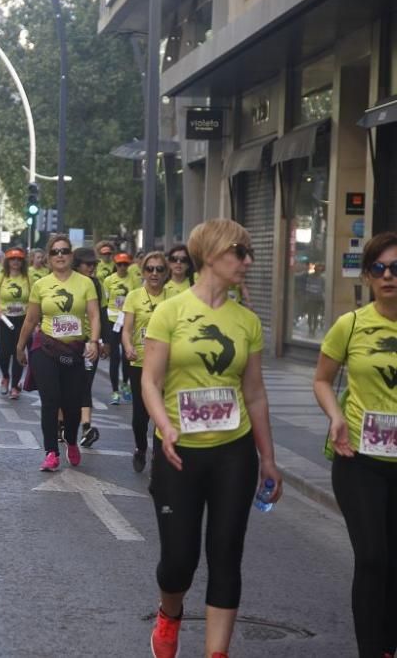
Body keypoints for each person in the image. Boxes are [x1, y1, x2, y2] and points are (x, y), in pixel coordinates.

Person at [141, 219, 282, 658]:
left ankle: (215, 653)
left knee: (226, 554)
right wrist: (165, 427)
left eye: (247, 253)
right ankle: (170, 615)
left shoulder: (246, 321)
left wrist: (269, 459)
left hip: (233, 453)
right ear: (212, 255)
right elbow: (150, 380)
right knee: (179, 561)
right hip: (180, 452)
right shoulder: (170, 311)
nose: (247, 261)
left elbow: (255, 394)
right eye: (239, 252)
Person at [313, 230, 397, 658]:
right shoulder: (351, 325)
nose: (389, 276)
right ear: (367, 276)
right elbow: (322, 379)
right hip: (359, 459)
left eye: (396, 268)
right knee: (372, 558)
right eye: (379, 268)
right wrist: (335, 416)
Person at [17, 234, 100, 471]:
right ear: (49, 258)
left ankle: (71, 441)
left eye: (64, 251)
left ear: (71, 256)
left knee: (73, 405)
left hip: (75, 350)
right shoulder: (41, 285)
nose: (60, 256)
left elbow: (93, 315)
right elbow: (31, 318)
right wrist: (20, 346)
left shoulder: (85, 283)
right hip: (46, 348)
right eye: (55, 252)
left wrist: (93, 341)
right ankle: (51, 452)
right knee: (50, 400)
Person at [121, 250, 169, 472]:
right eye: (150, 269)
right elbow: (127, 329)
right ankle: (141, 448)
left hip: (168, 365)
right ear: (143, 271)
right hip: (141, 363)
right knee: (141, 416)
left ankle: (160, 458)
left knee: (164, 414)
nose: (154, 273)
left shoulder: (174, 298)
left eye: (159, 269)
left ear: (165, 272)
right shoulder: (134, 296)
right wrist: (128, 346)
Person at [73, 247, 108, 447]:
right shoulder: (66, 282)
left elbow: (102, 314)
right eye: (89, 264)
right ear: (77, 265)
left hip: (89, 342)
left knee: (85, 384)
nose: (93, 267)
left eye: (95, 264)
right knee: (66, 385)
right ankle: (61, 425)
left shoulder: (96, 284)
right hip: (66, 342)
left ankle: (86, 427)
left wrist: (104, 340)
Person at [0, 247, 30, 398]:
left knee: (19, 351)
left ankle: (15, 386)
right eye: (12, 259)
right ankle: (5, 376)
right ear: (7, 261)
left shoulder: (28, 278)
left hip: (23, 319)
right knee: (5, 353)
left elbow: (35, 299)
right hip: (4, 320)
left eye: (19, 259)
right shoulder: (1, 277)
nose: (15, 262)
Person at [103, 252, 137, 404]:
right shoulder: (109, 280)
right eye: (119, 264)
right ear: (115, 265)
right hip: (112, 321)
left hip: (127, 321)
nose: (123, 267)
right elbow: (105, 302)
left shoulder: (135, 280)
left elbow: (137, 299)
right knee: (114, 357)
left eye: (125, 264)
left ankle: (125, 383)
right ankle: (115, 390)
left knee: (126, 356)